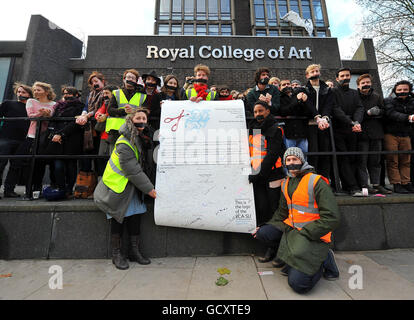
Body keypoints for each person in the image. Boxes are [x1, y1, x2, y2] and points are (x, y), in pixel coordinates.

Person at [252, 147, 340, 294]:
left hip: (312, 233)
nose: (292, 162)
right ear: (285, 163)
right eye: (288, 160)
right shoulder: (286, 183)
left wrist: (307, 231)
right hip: (293, 230)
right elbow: (281, 213)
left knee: (299, 285)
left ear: (302, 160)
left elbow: (332, 217)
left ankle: (322, 259)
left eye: (295, 159)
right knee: (264, 233)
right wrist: (264, 226)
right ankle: (293, 257)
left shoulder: (316, 182)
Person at [94, 108, 156, 270]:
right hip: (118, 188)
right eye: (138, 118)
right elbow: (132, 169)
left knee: (135, 218)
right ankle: (116, 254)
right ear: (130, 121)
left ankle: (134, 251)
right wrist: (150, 189)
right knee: (118, 219)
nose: (142, 120)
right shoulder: (124, 142)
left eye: (144, 118)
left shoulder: (140, 138)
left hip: (131, 187)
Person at [248, 100, 285, 263]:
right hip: (258, 176)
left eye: (260, 111)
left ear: (268, 111)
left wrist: (258, 174)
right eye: (255, 112)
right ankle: (270, 246)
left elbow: (272, 155)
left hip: (273, 175)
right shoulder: (253, 129)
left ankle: (278, 250)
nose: (257, 114)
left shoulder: (276, 129)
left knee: (274, 211)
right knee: (262, 210)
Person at [45, 87, 84, 198]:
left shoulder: (79, 106)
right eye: (65, 93)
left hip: (72, 139)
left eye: (69, 93)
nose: (67, 95)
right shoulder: (58, 106)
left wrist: (62, 134)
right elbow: (53, 121)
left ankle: (69, 189)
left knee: (71, 166)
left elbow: (75, 123)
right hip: (57, 140)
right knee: (58, 166)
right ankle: (61, 188)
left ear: (76, 95)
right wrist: (54, 134)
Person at [331, 68, 365, 195]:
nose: (345, 77)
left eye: (347, 75)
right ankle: (351, 187)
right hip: (338, 129)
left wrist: (356, 122)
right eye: (342, 75)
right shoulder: (333, 92)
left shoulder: (355, 93)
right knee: (343, 158)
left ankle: (353, 185)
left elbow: (360, 107)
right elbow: (336, 109)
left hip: (353, 130)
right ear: (337, 78)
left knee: (353, 158)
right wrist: (350, 122)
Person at [356, 74, 391, 194]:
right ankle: (364, 185)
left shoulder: (377, 96)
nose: (366, 85)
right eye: (363, 83)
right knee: (362, 161)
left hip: (376, 133)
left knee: (375, 161)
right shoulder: (356, 97)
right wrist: (368, 113)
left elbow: (384, 111)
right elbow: (355, 114)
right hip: (361, 134)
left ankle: (377, 184)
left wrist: (378, 112)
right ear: (358, 85)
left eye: (367, 82)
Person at [0, 83, 32, 198]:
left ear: (29, 94)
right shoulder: (8, 103)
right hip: (5, 138)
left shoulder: (31, 107)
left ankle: (9, 190)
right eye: (18, 92)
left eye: (23, 92)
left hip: (23, 140)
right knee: (1, 164)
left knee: (16, 166)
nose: (20, 94)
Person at [303, 64, 335, 180]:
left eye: (316, 71)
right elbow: (308, 106)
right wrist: (317, 117)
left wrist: (324, 118)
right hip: (311, 125)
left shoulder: (327, 89)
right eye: (312, 72)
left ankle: (325, 180)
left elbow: (328, 105)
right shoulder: (304, 89)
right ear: (307, 75)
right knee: (314, 153)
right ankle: (313, 180)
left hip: (324, 124)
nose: (315, 73)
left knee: (325, 153)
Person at [106, 69, 147, 154]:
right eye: (128, 77)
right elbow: (110, 110)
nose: (130, 79)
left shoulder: (142, 96)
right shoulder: (116, 93)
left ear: (136, 81)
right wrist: (123, 111)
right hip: (116, 132)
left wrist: (134, 111)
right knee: (115, 156)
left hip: (134, 131)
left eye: (133, 78)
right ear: (124, 79)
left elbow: (145, 111)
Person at [383, 80, 414, 193]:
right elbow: (391, 114)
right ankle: (396, 183)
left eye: (405, 89)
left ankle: (406, 182)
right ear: (395, 90)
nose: (402, 91)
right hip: (391, 134)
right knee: (393, 160)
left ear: (409, 90)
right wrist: (408, 118)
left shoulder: (412, 101)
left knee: (406, 160)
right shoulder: (388, 100)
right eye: (399, 90)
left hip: (406, 134)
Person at [279, 79, 312, 154]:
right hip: (289, 133)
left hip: (302, 132)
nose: (287, 85)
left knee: (304, 156)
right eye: (284, 85)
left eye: (288, 84)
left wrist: (304, 101)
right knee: (290, 155)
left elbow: (308, 112)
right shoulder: (280, 98)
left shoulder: (298, 95)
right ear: (280, 88)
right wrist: (296, 101)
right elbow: (283, 112)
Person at [95, 85, 119, 175]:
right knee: (102, 159)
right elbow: (99, 111)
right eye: (103, 93)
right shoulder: (105, 102)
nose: (105, 95)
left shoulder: (117, 102)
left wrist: (106, 115)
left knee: (112, 159)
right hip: (104, 135)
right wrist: (99, 115)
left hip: (114, 134)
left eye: (107, 93)